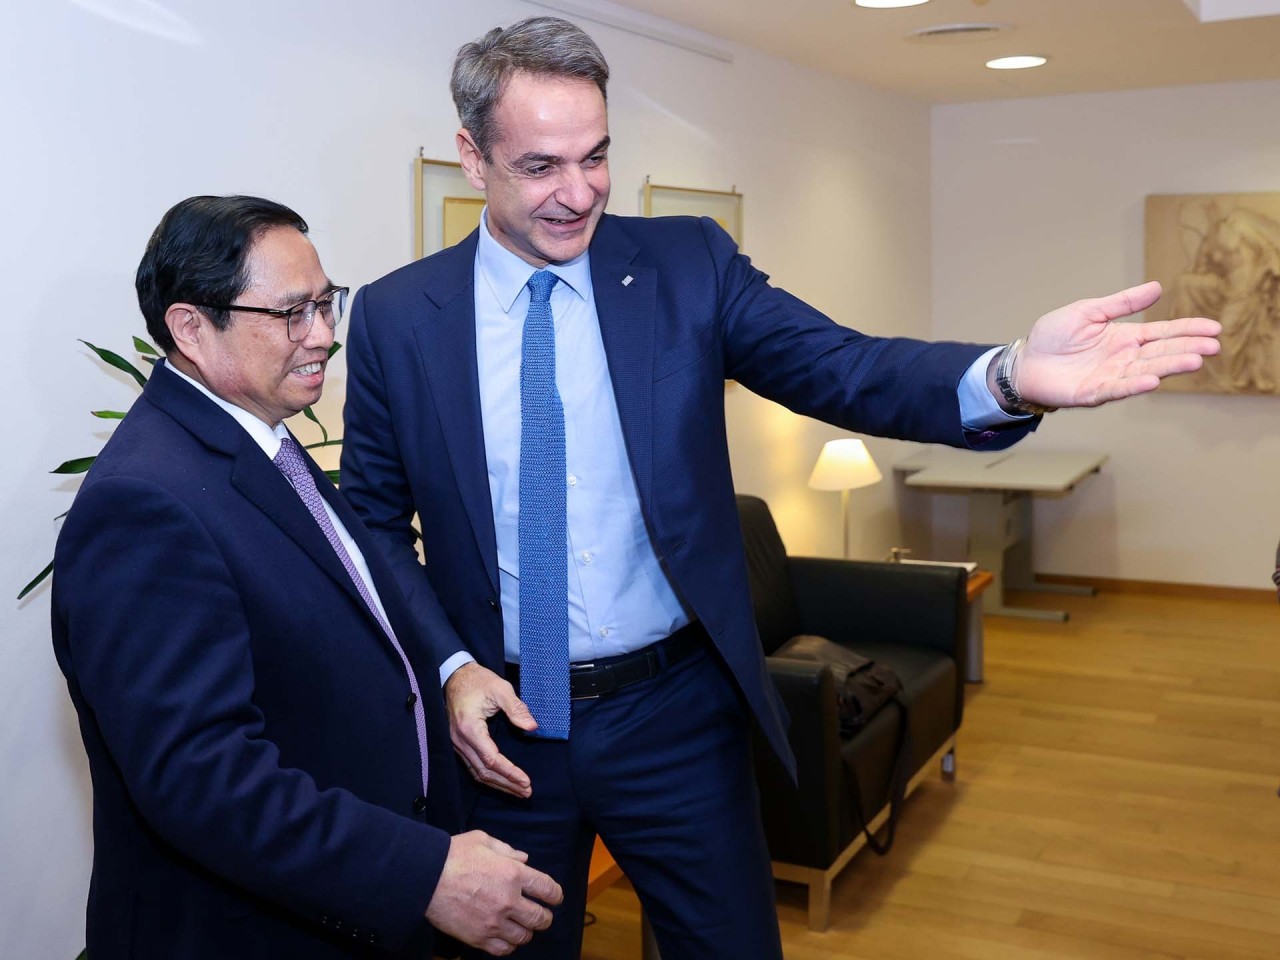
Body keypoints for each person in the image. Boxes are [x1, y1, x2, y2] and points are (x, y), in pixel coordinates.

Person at [338, 17, 1221, 959]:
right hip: (502, 732)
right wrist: (449, 665)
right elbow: (375, 522)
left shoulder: (687, 264)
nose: (580, 191)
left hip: (676, 714)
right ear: (473, 157)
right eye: (541, 166)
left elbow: (843, 366)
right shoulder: (399, 315)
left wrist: (1007, 376)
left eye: (596, 157)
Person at [51, 195, 561, 960]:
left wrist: (446, 678)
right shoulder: (144, 503)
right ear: (191, 327)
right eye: (292, 313)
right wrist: (421, 874)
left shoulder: (263, 442)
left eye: (326, 304)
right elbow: (203, 778)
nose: (323, 334)